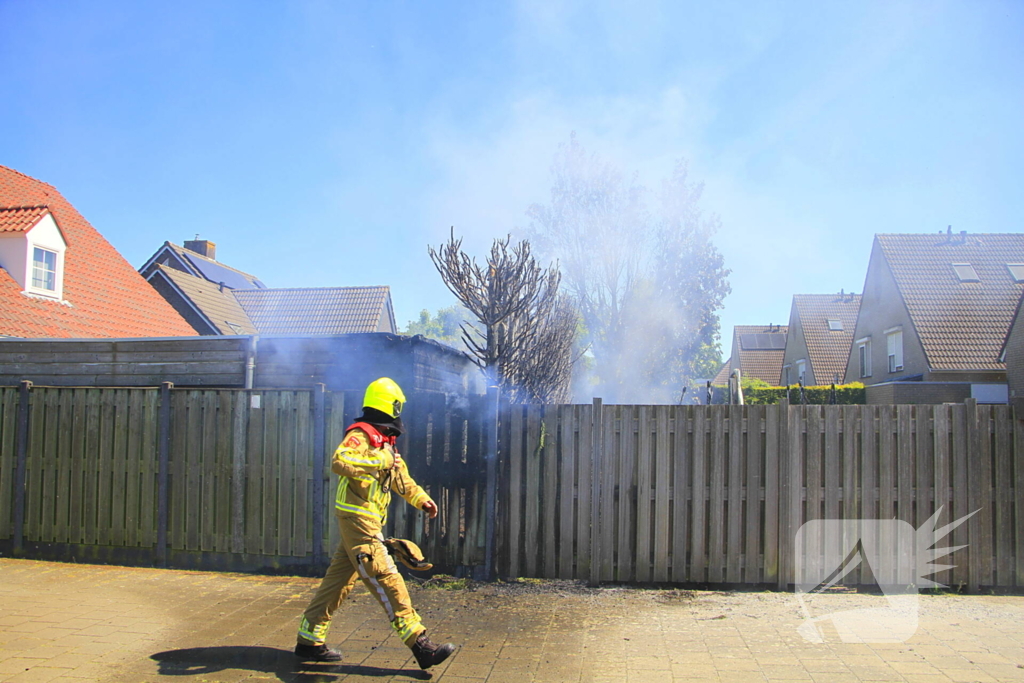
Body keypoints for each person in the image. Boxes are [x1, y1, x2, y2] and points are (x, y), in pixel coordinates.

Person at [294, 377, 456, 670]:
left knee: (339, 582)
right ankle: (419, 643)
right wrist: (380, 460)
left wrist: (422, 499)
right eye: (397, 405)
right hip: (357, 517)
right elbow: (339, 460)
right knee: (383, 573)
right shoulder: (363, 434)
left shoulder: (386, 441)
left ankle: (309, 639)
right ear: (390, 405)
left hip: (364, 519)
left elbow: (401, 479)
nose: (400, 411)